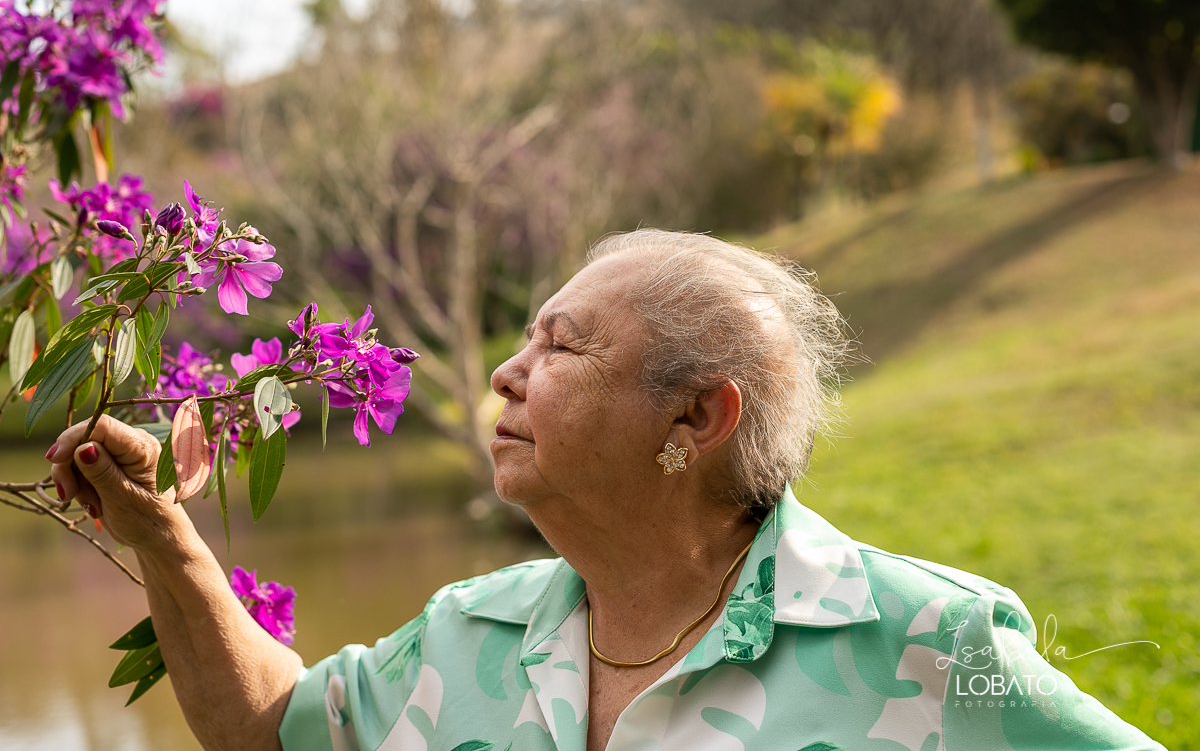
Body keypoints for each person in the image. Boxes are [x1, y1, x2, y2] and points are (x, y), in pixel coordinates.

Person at [48, 230, 1164, 751]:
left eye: (562, 345)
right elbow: (272, 730)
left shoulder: (929, 642)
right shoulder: (467, 633)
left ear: (695, 419)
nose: (504, 372)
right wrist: (159, 529)